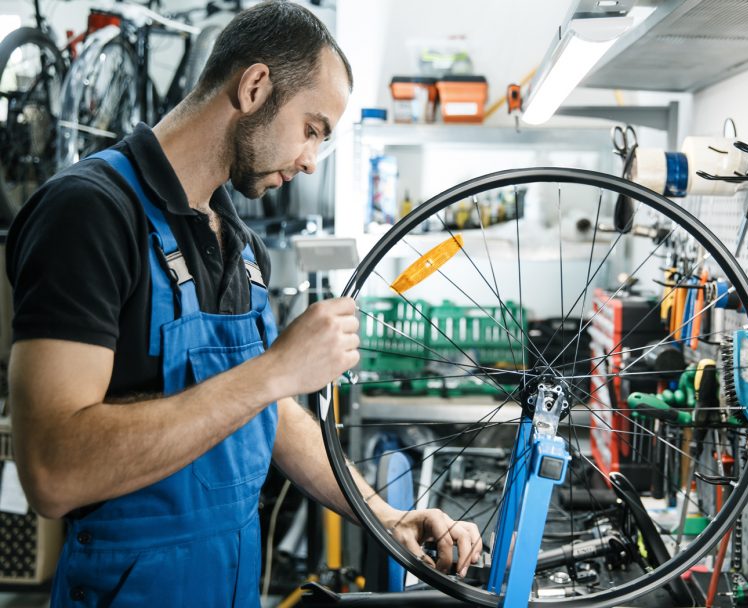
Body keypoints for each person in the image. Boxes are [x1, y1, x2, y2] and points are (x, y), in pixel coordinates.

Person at [5, 2, 481, 604]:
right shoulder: (90, 213)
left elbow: (267, 409)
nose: (311, 161)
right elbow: (52, 470)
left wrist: (382, 515)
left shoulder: (242, 244)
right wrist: (277, 366)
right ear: (255, 86)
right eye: (312, 129)